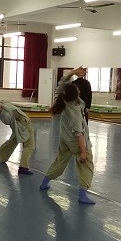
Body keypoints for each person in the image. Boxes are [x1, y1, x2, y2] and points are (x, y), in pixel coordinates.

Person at [40, 71, 96, 205]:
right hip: (75, 141)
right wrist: (83, 152)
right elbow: (79, 134)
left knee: (60, 161)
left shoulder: (63, 99)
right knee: (86, 165)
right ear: (76, 94)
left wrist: (74, 72)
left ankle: (44, 183)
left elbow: (62, 82)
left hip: (65, 138)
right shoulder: (75, 110)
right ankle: (82, 195)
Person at [0, 91, 36, 175]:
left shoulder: (1, 107)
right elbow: (15, 124)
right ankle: (23, 167)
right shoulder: (5, 116)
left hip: (20, 124)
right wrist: (23, 130)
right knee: (29, 146)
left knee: (12, 141)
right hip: (22, 125)